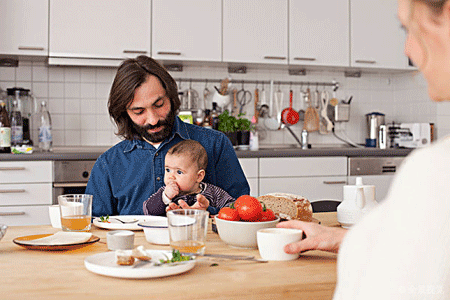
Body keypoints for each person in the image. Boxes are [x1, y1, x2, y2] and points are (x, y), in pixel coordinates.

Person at [278, 0, 450, 298]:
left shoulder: (435, 172)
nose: (407, 50)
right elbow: (420, 245)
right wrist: (344, 238)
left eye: (406, 27)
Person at [85, 56, 249, 217]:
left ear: (171, 97)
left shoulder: (215, 144)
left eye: (159, 105)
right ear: (124, 113)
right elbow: (93, 227)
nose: (153, 119)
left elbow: (243, 210)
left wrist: (208, 213)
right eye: (139, 111)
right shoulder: (108, 164)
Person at [143, 139, 235, 216]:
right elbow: (147, 211)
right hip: (173, 235)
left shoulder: (213, 192)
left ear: (199, 176)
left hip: (204, 235)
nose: (171, 176)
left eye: (179, 172)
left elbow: (233, 208)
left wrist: (209, 210)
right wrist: (165, 197)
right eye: (168, 170)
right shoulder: (164, 192)